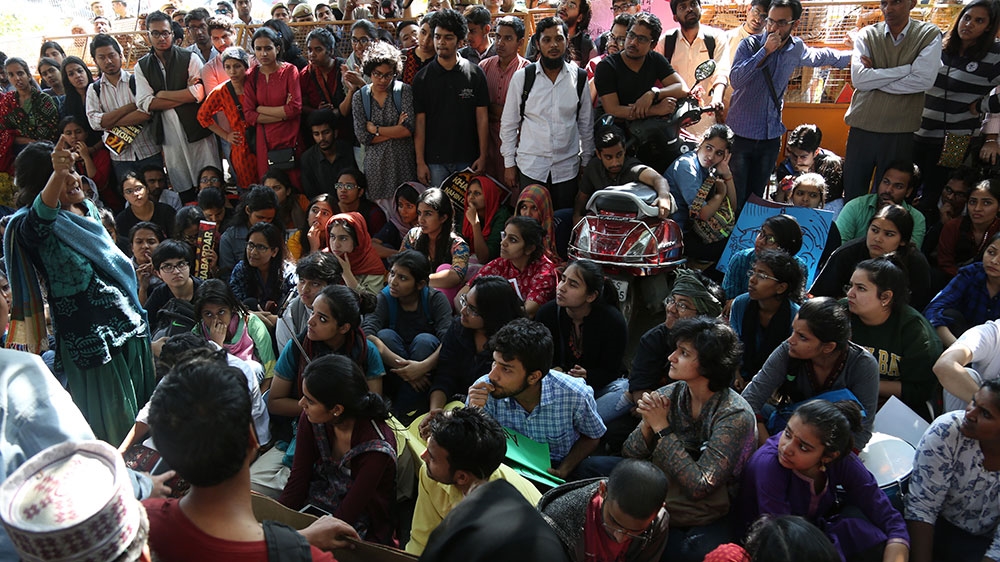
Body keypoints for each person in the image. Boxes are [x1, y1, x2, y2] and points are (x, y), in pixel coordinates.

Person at [4, 141, 155, 445]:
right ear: (40, 185)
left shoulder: (88, 211)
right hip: (93, 347)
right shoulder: (30, 227)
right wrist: (58, 172)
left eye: (71, 169)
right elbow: (40, 218)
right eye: (59, 174)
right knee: (117, 437)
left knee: (149, 422)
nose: (72, 178)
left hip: (131, 329)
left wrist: (62, 170)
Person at [143, 356, 361, 560]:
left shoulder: (139, 525)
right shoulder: (309, 557)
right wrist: (296, 542)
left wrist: (298, 539)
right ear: (252, 439)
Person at [622, 316, 754, 562]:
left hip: (708, 510)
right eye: (676, 349)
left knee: (689, 552)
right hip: (663, 488)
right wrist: (648, 427)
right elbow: (630, 453)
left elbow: (700, 485)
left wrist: (662, 427)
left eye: (683, 353)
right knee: (593, 468)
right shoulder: (669, 394)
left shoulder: (734, 414)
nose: (671, 357)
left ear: (708, 365)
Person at [738, 400, 910, 562]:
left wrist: (898, 543)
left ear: (828, 457)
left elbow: (888, 516)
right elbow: (783, 541)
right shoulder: (768, 466)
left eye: (803, 447)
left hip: (815, 530)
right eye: (787, 434)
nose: (786, 448)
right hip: (773, 547)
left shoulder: (843, 461)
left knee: (866, 534)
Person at [726, 0, 850, 206]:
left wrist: (853, 57)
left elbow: (820, 56)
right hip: (741, 136)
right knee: (736, 196)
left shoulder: (796, 48)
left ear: (795, 23)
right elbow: (737, 80)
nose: (773, 27)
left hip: (770, 136)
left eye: (781, 22)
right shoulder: (750, 45)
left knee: (757, 198)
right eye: (770, 21)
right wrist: (764, 51)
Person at [278, 354, 397, 544]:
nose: (301, 404)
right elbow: (297, 481)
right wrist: (277, 525)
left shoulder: (376, 449)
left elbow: (349, 512)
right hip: (316, 507)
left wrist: (299, 540)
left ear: (337, 409)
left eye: (309, 400)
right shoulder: (312, 420)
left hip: (360, 522)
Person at [467, 318, 606, 478]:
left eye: (506, 369)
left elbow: (592, 436)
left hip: (556, 471)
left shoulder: (574, 394)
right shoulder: (483, 390)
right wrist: (473, 413)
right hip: (505, 471)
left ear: (533, 377)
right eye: (494, 363)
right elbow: (472, 449)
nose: (492, 375)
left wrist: (564, 470)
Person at [741, 297, 879, 448]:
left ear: (828, 347)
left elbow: (861, 431)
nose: (791, 340)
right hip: (788, 429)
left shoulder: (863, 364)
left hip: (830, 445)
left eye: (802, 337)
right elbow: (749, 401)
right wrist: (771, 449)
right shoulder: (787, 351)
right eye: (793, 330)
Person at [406, 407, 541, 555]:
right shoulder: (430, 474)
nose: (422, 456)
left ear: (462, 477)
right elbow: (421, 542)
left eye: (432, 457)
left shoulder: (511, 512)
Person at [843, 0, 942, 200]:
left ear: (912, 3)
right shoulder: (868, 35)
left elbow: (923, 81)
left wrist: (876, 76)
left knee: (890, 196)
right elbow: (860, 79)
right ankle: (852, 232)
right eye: (884, 2)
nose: (888, 9)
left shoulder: (928, 35)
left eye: (896, 2)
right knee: (853, 193)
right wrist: (907, 69)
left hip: (903, 132)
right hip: (862, 126)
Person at [499, 16, 594, 210]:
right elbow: (509, 124)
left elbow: (586, 124)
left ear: (567, 41)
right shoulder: (523, 78)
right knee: (531, 227)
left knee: (563, 222)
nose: (553, 45)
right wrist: (509, 164)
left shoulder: (580, 78)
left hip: (567, 169)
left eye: (559, 39)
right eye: (547, 40)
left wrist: (586, 160)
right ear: (537, 43)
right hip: (531, 168)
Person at [905, 380, 1000, 562]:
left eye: (985, 414)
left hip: (985, 543)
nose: (970, 414)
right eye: (973, 401)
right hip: (936, 527)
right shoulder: (947, 431)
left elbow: (998, 549)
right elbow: (921, 509)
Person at [135, 11, 221, 198]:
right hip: (168, 132)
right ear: (148, 35)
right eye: (155, 33)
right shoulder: (142, 66)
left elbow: (199, 94)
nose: (161, 38)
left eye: (165, 32)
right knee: (182, 183)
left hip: (197, 129)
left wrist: (162, 94)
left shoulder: (189, 58)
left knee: (208, 178)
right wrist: (184, 93)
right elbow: (144, 102)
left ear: (173, 34)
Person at [846, 257, 942, 419]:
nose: (850, 293)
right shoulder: (841, 313)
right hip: (845, 397)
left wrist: (865, 385)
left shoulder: (916, 333)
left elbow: (920, 390)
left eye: (861, 288)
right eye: (850, 286)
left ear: (885, 297)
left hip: (898, 408)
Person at [537, 259, 628, 424]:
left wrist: (588, 375)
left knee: (624, 389)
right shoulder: (547, 313)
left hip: (595, 389)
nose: (561, 288)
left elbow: (611, 371)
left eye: (572, 285)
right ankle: (580, 424)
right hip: (557, 389)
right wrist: (555, 371)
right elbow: (538, 359)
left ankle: (578, 423)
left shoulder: (612, 321)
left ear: (591, 296)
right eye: (563, 279)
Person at [363, 250, 452, 416]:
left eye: (402, 278)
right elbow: (367, 334)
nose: (393, 282)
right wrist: (408, 370)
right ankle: (405, 409)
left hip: (427, 370)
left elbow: (449, 341)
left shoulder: (435, 300)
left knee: (425, 341)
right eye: (392, 274)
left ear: (420, 284)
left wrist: (421, 367)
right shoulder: (384, 298)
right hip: (396, 371)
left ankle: (403, 411)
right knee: (384, 336)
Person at [627, 269, 725, 418]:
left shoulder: (718, 348)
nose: (671, 309)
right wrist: (650, 408)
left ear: (703, 315)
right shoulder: (654, 339)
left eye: (683, 305)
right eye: (672, 300)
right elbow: (640, 388)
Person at [412, 8, 489, 187]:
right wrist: (420, 162)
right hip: (435, 161)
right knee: (437, 211)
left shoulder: (475, 74)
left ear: (460, 41)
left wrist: (483, 155)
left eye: (448, 37)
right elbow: (420, 123)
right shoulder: (422, 78)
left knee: (467, 212)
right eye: (437, 36)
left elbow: (482, 118)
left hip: (468, 159)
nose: (441, 42)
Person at [538, 458, 670, 562]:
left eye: (635, 532)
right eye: (614, 521)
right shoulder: (559, 520)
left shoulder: (657, 522)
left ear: (658, 509)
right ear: (603, 491)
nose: (620, 538)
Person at [429, 275, 525, 411]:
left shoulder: (514, 342)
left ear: (492, 314)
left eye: (472, 310)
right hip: (453, 404)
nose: (463, 311)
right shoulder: (458, 328)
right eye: (464, 302)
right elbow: (444, 375)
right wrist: (435, 410)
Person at [812, 204, 933, 310]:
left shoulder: (916, 264)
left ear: (903, 241)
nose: (878, 239)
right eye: (874, 230)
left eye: (889, 234)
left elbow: (917, 307)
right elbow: (819, 298)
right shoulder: (847, 254)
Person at [593, 12, 688, 135]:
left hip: (645, 133)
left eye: (641, 39)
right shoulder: (607, 66)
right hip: (612, 135)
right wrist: (655, 110)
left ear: (653, 45)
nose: (633, 42)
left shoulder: (655, 59)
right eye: (631, 35)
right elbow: (613, 110)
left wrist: (653, 94)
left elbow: (682, 88)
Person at [86, 34, 161, 185]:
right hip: (121, 158)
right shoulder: (94, 89)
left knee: (157, 193)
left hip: (149, 151)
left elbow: (146, 113)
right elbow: (95, 123)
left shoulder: (137, 80)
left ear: (120, 56)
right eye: (102, 57)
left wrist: (109, 121)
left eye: (111, 55)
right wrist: (130, 107)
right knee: (131, 198)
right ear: (95, 61)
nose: (108, 61)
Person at [353, 40, 417, 213]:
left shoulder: (404, 91)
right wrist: (395, 129)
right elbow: (363, 137)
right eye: (377, 74)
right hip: (376, 172)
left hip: (403, 165)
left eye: (388, 75)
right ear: (369, 72)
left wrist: (376, 130)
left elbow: (408, 129)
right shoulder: (360, 97)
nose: (382, 79)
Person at [458, 215, 558, 318]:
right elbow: (461, 295)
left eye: (513, 240)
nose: (503, 243)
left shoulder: (545, 271)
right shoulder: (501, 264)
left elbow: (528, 311)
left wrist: (482, 316)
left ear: (530, 248)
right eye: (504, 235)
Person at [576, 124, 674, 227]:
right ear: (599, 155)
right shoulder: (593, 167)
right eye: (608, 157)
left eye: (619, 155)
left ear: (624, 150)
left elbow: (657, 179)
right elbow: (582, 197)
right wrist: (576, 216)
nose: (615, 163)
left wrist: (663, 196)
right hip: (601, 224)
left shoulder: (631, 167)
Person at [730, 249, 804, 386]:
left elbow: (792, 361)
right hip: (739, 375)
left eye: (762, 276)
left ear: (781, 287)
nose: (752, 280)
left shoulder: (795, 316)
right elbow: (733, 346)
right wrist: (737, 375)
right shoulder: (741, 304)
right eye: (753, 272)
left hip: (776, 383)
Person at [667, 124, 737, 264]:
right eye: (708, 147)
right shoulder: (687, 167)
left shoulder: (710, 168)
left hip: (695, 230)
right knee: (732, 248)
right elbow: (702, 214)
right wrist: (720, 194)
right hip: (677, 236)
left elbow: (733, 207)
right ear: (701, 142)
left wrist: (727, 174)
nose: (711, 156)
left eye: (718, 153)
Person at [191, 278, 276, 387]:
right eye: (208, 314)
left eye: (221, 312)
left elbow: (270, 371)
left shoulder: (250, 323)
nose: (216, 319)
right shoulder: (198, 332)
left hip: (251, 383)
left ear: (231, 308)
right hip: (216, 387)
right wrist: (216, 345)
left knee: (253, 367)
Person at [660, 0, 727, 139]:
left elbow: (721, 72)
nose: (689, 9)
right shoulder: (666, 41)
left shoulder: (716, 38)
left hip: (706, 118)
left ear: (700, 8)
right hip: (674, 121)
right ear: (675, 16)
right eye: (683, 7)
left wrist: (717, 98)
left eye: (693, 4)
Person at [244, 26, 302, 181]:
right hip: (264, 140)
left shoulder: (290, 71)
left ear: (277, 48)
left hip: (290, 135)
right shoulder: (251, 75)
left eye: (268, 48)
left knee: (293, 182)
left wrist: (261, 109)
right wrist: (283, 114)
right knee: (269, 183)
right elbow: (249, 115)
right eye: (259, 49)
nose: (263, 53)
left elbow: (295, 108)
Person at [197, 46, 257, 189]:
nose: (232, 71)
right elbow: (202, 116)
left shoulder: (256, 84)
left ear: (246, 66)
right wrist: (226, 135)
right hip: (241, 145)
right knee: (247, 188)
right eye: (228, 67)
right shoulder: (222, 91)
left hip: (263, 140)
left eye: (237, 66)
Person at [925, 233, 1000, 348]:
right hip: (960, 341)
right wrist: (958, 349)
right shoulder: (971, 274)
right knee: (949, 315)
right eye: (991, 252)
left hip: (995, 352)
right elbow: (933, 308)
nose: (994, 261)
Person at [478, 16, 529, 183]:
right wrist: (505, 111)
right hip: (488, 145)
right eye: (497, 36)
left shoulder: (528, 71)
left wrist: (493, 111)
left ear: (520, 42)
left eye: (507, 38)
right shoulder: (484, 67)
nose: (500, 43)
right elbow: (479, 109)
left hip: (517, 148)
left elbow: (524, 114)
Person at [837, 160, 928, 247]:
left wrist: (896, 218)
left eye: (898, 186)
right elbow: (838, 246)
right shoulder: (855, 207)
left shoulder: (916, 218)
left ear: (908, 191)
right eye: (886, 182)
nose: (888, 190)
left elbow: (910, 256)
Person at [721, 214, 804, 304]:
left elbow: (791, 303)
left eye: (771, 239)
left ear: (785, 247)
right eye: (761, 233)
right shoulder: (741, 259)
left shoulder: (797, 267)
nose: (761, 241)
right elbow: (728, 302)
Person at [401, 188, 471, 295]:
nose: (421, 220)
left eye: (428, 214)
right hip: (413, 291)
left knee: (444, 269)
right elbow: (400, 265)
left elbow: (456, 276)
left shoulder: (458, 245)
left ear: (443, 218)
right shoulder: (413, 235)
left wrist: (418, 280)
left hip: (441, 297)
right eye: (419, 213)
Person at [275, 251, 343, 351]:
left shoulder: (346, 309)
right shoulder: (289, 314)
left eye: (315, 284)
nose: (304, 289)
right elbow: (287, 359)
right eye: (302, 281)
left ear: (332, 286)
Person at [934, 178, 1000, 281]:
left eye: (987, 203)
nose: (977, 208)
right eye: (973, 202)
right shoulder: (953, 226)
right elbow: (945, 264)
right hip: (955, 281)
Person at [0, 58, 57, 174]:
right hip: (15, 155)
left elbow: (47, 133)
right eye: (11, 75)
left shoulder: (44, 100)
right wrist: (29, 139)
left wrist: (17, 135)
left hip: (43, 154)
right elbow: (3, 131)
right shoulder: (7, 101)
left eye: (20, 73)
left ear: (29, 75)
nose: (17, 78)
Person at [230, 221, 296, 313]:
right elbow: (236, 305)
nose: (253, 252)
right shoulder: (241, 269)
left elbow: (293, 309)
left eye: (261, 247)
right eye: (250, 245)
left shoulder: (289, 274)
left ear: (274, 252)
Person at [218, 185, 278, 278]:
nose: (265, 222)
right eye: (260, 217)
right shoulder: (229, 238)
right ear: (248, 210)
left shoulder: (277, 232)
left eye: (269, 218)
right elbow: (227, 275)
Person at [58, 115, 115, 210]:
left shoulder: (101, 154)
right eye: (68, 133)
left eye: (78, 132)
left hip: (106, 204)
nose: (74, 136)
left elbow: (98, 184)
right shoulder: (63, 158)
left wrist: (86, 157)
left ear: (86, 134)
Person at [143, 239, 202, 327]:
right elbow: (145, 323)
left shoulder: (205, 289)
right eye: (168, 266)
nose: (176, 271)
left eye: (181, 264)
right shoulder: (159, 293)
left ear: (189, 266)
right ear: (158, 273)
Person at [772, 124, 837, 202]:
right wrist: (781, 191)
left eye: (803, 157)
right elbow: (782, 202)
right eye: (794, 155)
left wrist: (807, 175)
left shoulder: (830, 165)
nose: (798, 161)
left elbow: (829, 197)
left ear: (816, 152)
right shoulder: (785, 168)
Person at [328, 212, 387, 296]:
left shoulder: (371, 265)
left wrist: (347, 274)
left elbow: (370, 305)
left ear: (358, 240)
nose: (335, 244)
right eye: (332, 236)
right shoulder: (325, 258)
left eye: (343, 238)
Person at [301, 109, 355, 199]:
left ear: (335, 132)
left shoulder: (349, 150)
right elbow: (311, 193)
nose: (321, 138)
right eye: (316, 134)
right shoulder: (307, 159)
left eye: (326, 133)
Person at [461, 175, 512, 264]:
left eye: (477, 193)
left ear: (489, 195)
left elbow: (484, 258)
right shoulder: (466, 214)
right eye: (469, 193)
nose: (471, 197)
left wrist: (475, 224)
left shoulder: (502, 216)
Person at [373, 182, 426, 259]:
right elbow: (373, 245)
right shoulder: (397, 223)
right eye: (400, 205)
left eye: (409, 206)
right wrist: (400, 254)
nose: (403, 211)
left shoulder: (429, 225)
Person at [117, 171, 177, 238]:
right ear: (124, 196)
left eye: (139, 188)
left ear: (147, 189)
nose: (135, 194)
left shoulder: (166, 211)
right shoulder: (122, 220)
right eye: (129, 191)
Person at [334, 170, 387, 238]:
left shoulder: (374, 214)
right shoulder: (330, 209)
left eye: (349, 186)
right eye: (339, 185)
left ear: (360, 192)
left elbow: (380, 243)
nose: (343, 190)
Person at [515, 184, 560, 260]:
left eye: (534, 208)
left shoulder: (557, 233)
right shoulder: (510, 231)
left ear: (543, 210)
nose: (528, 214)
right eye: (524, 207)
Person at [287, 194, 336, 261]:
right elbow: (299, 270)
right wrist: (314, 248)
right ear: (307, 216)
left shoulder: (338, 239)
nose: (317, 216)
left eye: (325, 213)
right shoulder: (296, 239)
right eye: (314, 211)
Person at [129, 221, 166, 305]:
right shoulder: (124, 269)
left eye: (151, 242)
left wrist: (162, 276)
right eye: (139, 242)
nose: (145, 246)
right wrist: (143, 288)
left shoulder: (170, 266)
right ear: (132, 247)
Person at [264, 168, 308, 233]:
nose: (271, 193)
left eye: (276, 188)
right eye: (267, 189)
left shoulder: (300, 201)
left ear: (288, 191)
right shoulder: (261, 208)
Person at [401, 15, 437, 85]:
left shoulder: (441, 60)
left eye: (432, 36)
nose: (425, 40)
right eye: (423, 33)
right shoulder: (404, 56)